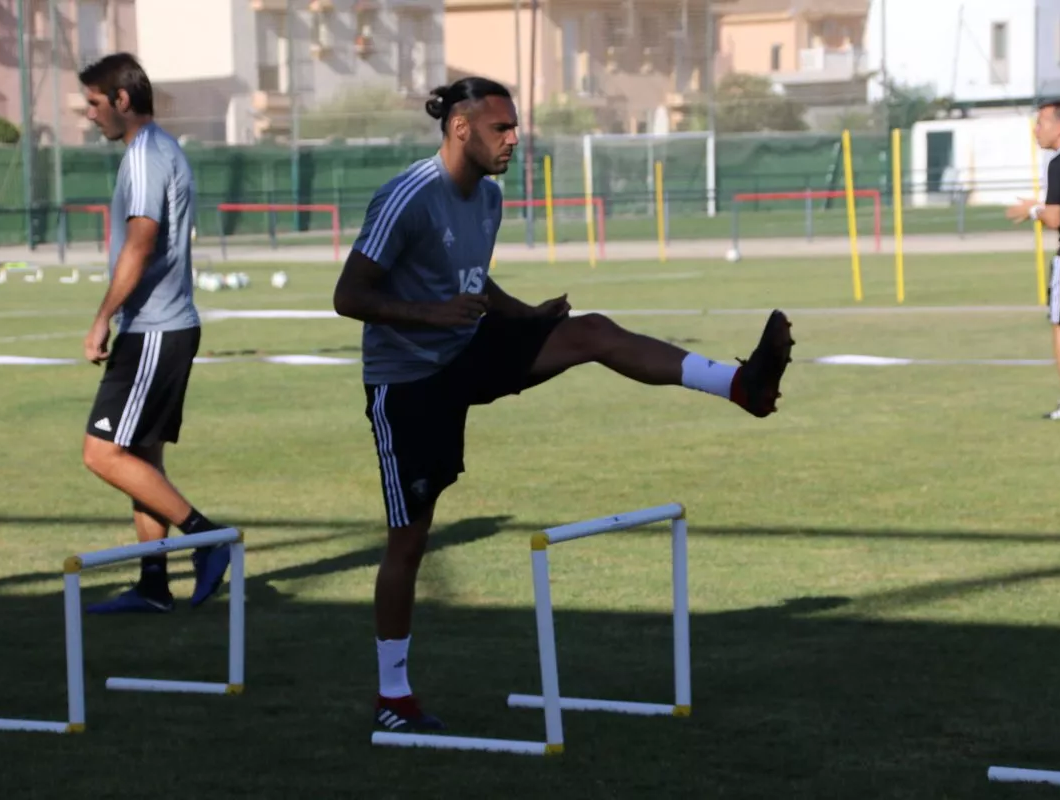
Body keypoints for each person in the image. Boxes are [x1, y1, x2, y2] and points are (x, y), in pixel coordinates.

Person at [332, 76, 795, 733]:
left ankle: (740, 385)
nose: (515, 139)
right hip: (408, 380)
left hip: (467, 347)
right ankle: (392, 696)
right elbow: (349, 295)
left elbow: (469, 278)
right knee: (409, 540)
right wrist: (428, 315)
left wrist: (524, 316)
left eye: (516, 127)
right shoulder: (408, 195)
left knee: (590, 332)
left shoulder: (487, 198)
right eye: (502, 128)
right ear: (460, 129)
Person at [77, 53, 230, 614]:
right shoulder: (161, 147)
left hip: (155, 328)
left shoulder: (144, 155)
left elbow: (142, 242)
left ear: (121, 99)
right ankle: (153, 584)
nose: (89, 115)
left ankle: (205, 539)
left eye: (94, 103)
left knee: (102, 453)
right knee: (142, 457)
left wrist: (101, 318)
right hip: (166, 326)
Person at [1007, 97, 1060, 419]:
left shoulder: (1059, 163)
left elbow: (1055, 218)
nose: (1035, 130)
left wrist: (1032, 209)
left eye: (1041, 122)